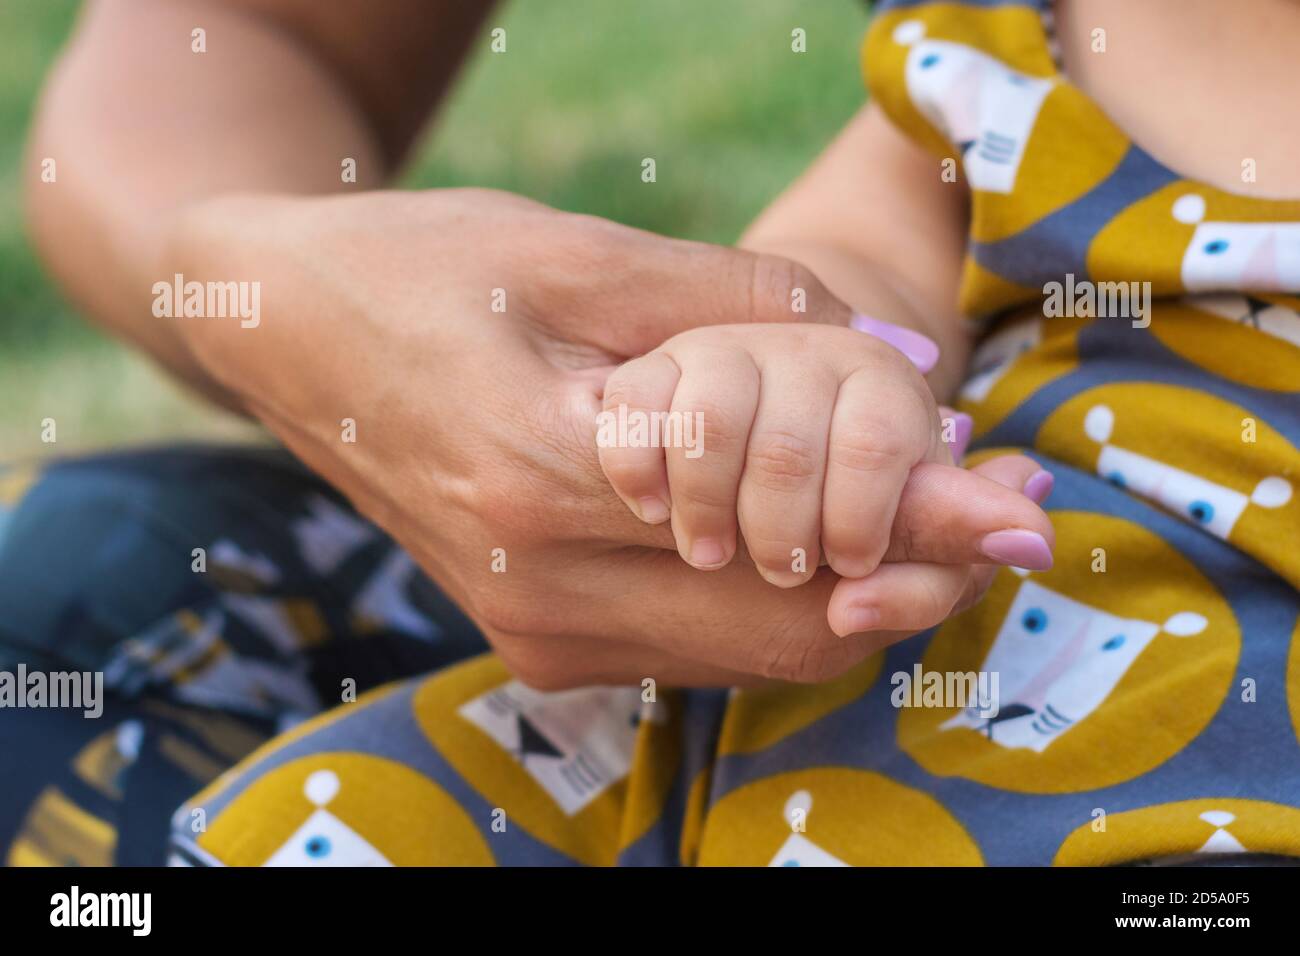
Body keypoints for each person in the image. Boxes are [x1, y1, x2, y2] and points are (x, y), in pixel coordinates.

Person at [12, 0, 1291, 866]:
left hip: (1210, 748)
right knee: (326, 802)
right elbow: (834, 277)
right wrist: (776, 387)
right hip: (867, 668)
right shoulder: (996, 48)